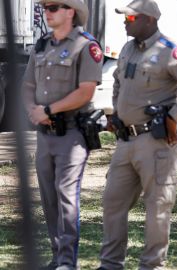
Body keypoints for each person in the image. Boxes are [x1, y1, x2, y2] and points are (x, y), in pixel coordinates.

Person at [97, 0, 177, 269]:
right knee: (113, 202)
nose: (125, 22)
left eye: (131, 18)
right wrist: (116, 115)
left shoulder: (170, 51)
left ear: (149, 20)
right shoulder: (126, 49)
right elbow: (117, 83)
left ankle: (152, 265)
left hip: (156, 142)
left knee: (157, 208)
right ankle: (110, 264)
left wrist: (175, 116)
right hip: (125, 142)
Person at [20, 0, 103, 269]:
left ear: (71, 12)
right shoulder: (42, 44)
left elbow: (86, 91)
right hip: (45, 134)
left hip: (72, 133)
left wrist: (48, 109)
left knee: (66, 193)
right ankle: (57, 256)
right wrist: (33, 110)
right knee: (48, 195)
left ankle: (68, 261)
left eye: (54, 7)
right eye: (45, 8)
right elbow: (28, 83)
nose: (47, 12)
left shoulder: (86, 45)